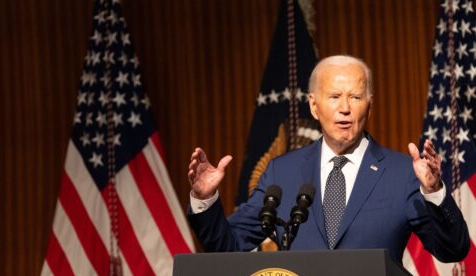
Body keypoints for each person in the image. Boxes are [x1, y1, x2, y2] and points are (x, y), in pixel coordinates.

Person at [187, 55, 469, 263]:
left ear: (369, 107)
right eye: (334, 96)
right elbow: (230, 246)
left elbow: (452, 250)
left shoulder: (402, 174)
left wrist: (434, 192)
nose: (345, 108)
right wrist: (205, 200)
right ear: (313, 105)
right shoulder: (282, 173)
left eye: (356, 97)